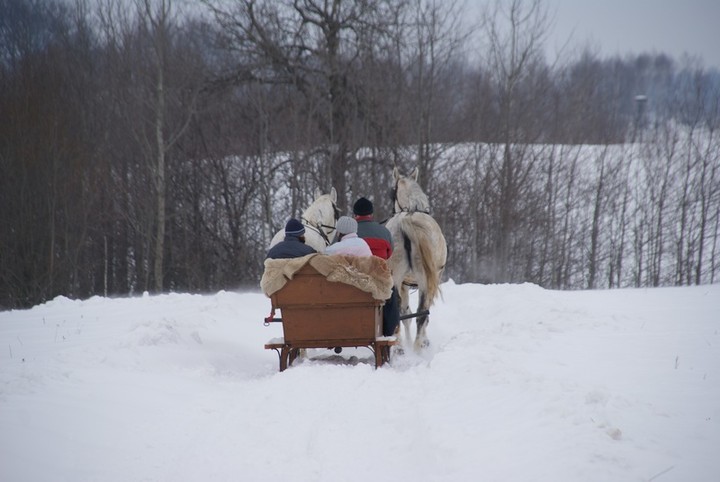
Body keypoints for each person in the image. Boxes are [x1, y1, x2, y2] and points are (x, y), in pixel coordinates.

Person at [352, 197, 399, 337]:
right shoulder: (384, 232)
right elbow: (389, 253)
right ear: (371, 214)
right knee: (393, 294)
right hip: (379, 281)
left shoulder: (346, 234)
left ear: (355, 215)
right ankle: (388, 331)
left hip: (353, 282)